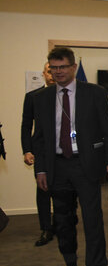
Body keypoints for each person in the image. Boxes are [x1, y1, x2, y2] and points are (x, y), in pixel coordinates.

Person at [32, 47, 108, 266]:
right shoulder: (41, 98)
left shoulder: (95, 94)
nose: (58, 72)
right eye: (54, 68)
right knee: (63, 222)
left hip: (86, 165)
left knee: (93, 220)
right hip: (56, 167)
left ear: (73, 67)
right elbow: (38, 139)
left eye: (62, 67)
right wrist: (40, 170)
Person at [22, 62, 57, 247]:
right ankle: (46, 228)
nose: (52, 74)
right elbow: (26, 125)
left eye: (55, 71)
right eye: (49, 71)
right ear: (43, 74)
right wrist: (27, 150)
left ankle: (61, 224)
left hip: (64, 153)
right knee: (43, 191)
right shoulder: (32, 97)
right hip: (42, 153)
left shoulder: (67, 95)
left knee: (66, 191)